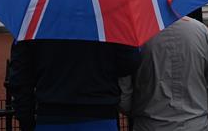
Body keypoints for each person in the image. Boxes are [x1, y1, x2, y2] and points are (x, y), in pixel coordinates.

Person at [118, 16, 208, 131]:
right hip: (195, 125)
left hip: (149, 125)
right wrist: (197, 110)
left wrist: (138, 112)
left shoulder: (136, 34)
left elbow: (123, 94)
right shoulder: (200, 29)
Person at [9, 39, 140, 131]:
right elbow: (130, 62)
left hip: (50, 115)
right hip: (100, 113)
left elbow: (20, 76)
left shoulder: (35, 19)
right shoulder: (109, 15)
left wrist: (26, 121)